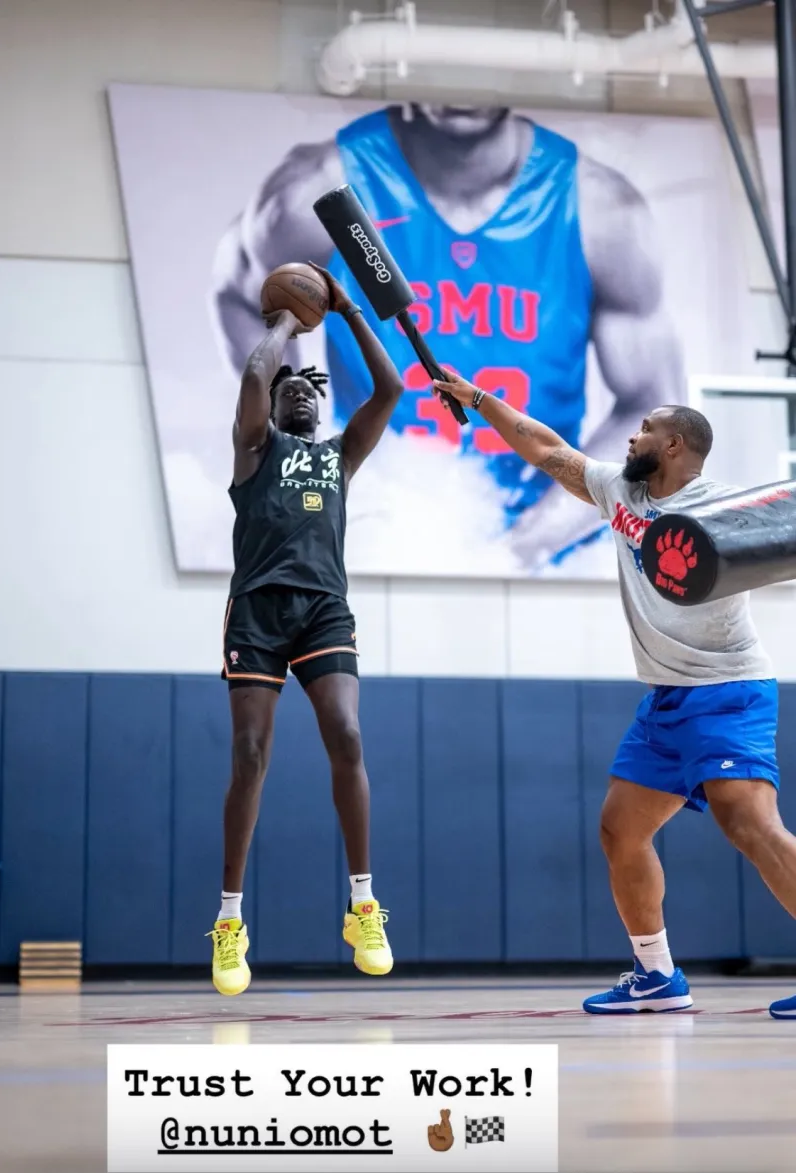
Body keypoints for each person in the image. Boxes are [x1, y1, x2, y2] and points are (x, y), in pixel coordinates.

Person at [432, 368, 796, 1020]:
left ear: (675, 444)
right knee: (620, 828)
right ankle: (656, 975)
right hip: (664, 700)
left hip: (727, 689)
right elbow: (546, 448)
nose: (632, 436)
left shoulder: (724, 508)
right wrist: (479, 399)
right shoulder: (622, 492)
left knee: (749, 824)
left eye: (645, 428)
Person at [211, 104, 686, 571]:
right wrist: (294, 439)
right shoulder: (318, 185)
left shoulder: (601, 209)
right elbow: (241, 294)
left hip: (545, 541)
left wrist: (525, 547)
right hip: (372, 524)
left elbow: (652, 400)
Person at [209, 264, 402, 996]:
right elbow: (254, 377)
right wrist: (289, 318)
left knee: (347, 736)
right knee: (251, 754)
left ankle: (363, 906)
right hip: (259, 609)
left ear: (320, 409)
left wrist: (346, 309)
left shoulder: (338, 457)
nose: (296, 392)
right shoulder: (256, 449)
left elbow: (390, 390)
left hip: (323, 607)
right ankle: (229, 920)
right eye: (287, 389)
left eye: (307, 391)